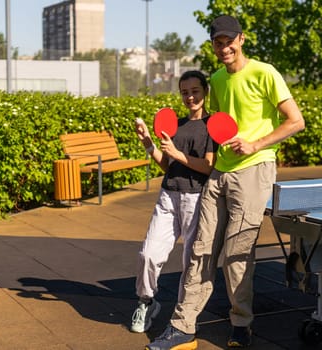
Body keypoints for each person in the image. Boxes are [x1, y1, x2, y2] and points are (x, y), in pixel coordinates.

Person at [146, 14, 305, 349]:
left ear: (241, 39)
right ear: (213, 45)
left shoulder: (265, 72)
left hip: (255, 168)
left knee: (236, 253)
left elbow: (295, 121)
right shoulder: (216, 80)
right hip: (220, 173)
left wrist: (256, 143)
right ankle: (182, 325)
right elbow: (215, 131)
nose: (224, 47)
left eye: (229, 41)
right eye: (218, 42)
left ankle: (241, 324)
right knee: (200, 251)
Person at [130, 70, 218, 334]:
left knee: (191, 261)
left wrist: (178, 154)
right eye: (184, 92)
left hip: (196, 198)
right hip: (168, 195)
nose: (190, 97)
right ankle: (146, 301)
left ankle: (182, 315)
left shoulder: (212, 126)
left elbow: (208, 167)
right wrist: (148, 143)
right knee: (148, 254)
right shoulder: (175, 125)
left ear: (205, 92)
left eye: (195, 91)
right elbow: (166, 164)